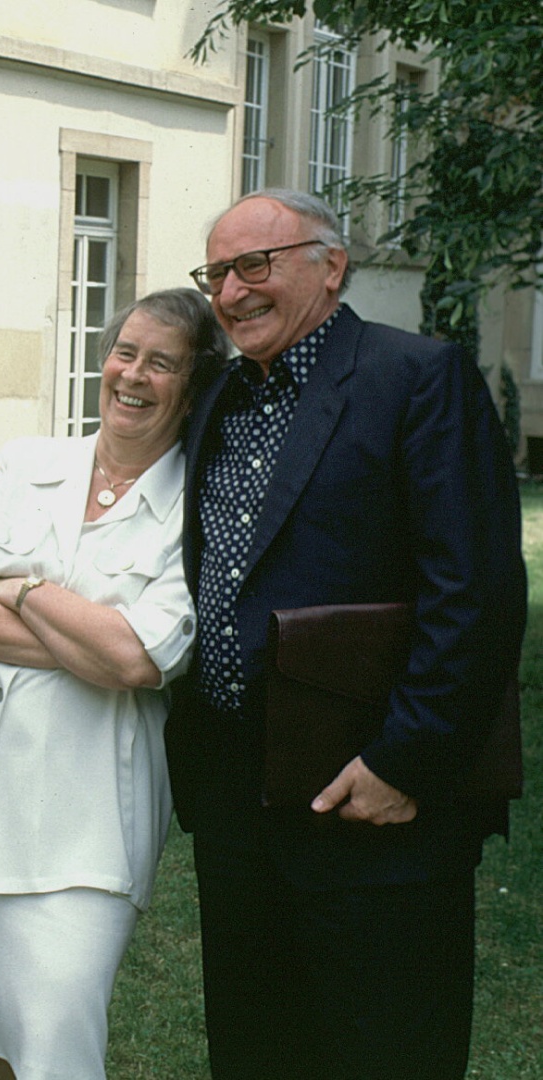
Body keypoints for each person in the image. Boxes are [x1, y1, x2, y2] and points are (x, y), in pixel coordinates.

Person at [169, 188, 526, 1078]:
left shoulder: (414, 376)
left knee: (383, 1048)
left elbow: (474, 592)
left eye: (256, 264)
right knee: (255, 1049)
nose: (231, 292)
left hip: (371, 799)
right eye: (216, 272)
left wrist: (405, 763)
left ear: (331, 266)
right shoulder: (218, 393)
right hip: (236, 796)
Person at [0, 289, 224, 1080]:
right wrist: (86, 640)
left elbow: (139, 660)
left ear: (192, 386)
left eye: (161, 363)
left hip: (85, 821)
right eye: (124, 352)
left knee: (56, 1040)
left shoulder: (197, 507)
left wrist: (20, 590)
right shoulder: (30, 464)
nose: (133, 375)